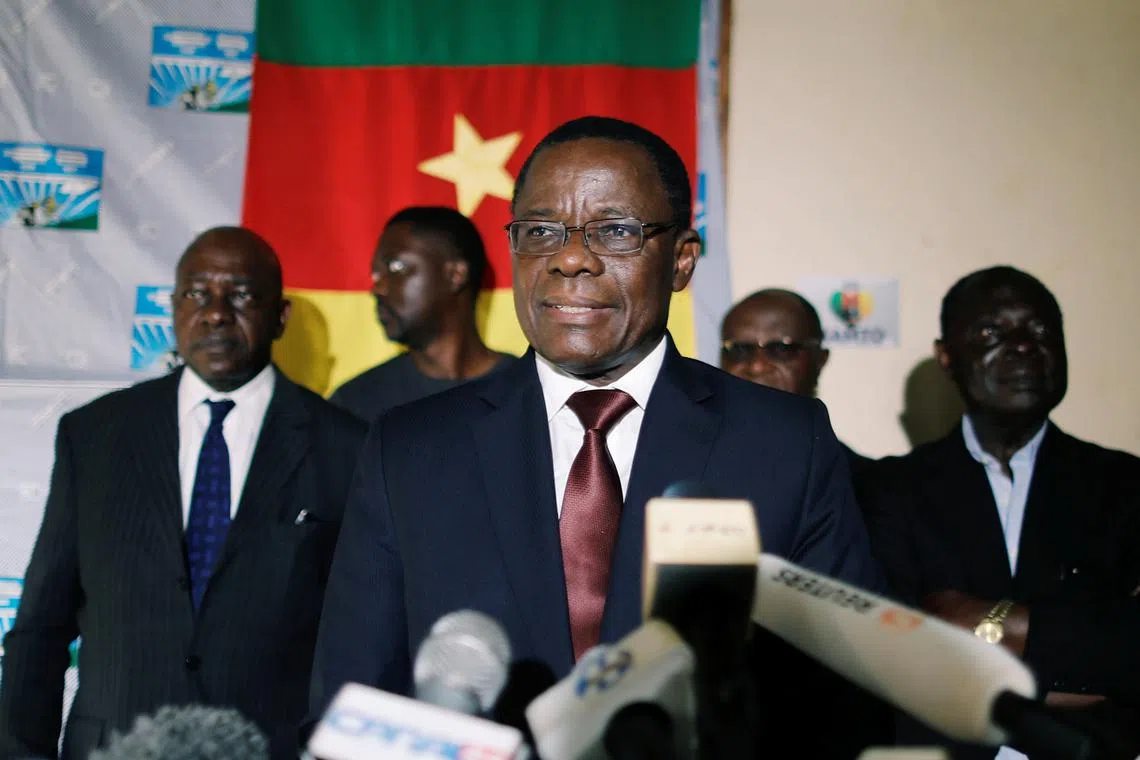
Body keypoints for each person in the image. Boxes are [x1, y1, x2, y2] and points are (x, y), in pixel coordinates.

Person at [310, 117, 882, 755]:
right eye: (542, 231)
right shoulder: (409, 451)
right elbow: (352, 704)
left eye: (615, 231)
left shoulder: (784, 444)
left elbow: (842, 703)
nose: (571, 257)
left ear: (682, 261)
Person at [0, 227, 366, 760]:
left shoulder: (346, 447)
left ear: (280, 316)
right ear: (173, 308)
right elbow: (39, 629)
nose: (216, 313)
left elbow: (361, 640)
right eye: (197, 293)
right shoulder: (96, 435)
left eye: (240, 294)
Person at [860, 266, 1140, 758]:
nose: (1023, 347)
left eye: (1039, 330)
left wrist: (994, 624)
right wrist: (1080, 655)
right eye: (991, 333)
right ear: (946, 356)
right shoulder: (891, 489)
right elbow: (895, 656)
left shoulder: (1127, 485)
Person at [329, 206, 516, 421]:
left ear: (456, 274)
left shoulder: (533, 391)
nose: (377, 288)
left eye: (396, 267)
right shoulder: (355, 405)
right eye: (376, 274)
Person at [721, 288, 871, 475]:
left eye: (782, 349)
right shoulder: (688, 465)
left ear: (819, 360)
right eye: (739, 350)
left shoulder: (863, 485)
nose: (757, 366)